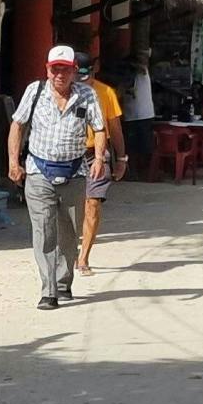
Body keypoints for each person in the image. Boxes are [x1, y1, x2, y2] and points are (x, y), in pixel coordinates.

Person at [7, 45, 108, 310]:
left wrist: (99, 158)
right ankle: (48, 291)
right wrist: (13, 162)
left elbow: (99, 128)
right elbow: (17, 125)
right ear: (47, 70)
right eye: (55, 69)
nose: (59, 75)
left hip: (74, 172)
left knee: (68, 232)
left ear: (74, 71)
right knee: (44, 231)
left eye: (65, 69)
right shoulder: (35, 91)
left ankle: (63, 283)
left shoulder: (87, 95)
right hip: (38, 171)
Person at [75, 54, 129, 278]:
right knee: (69, 207)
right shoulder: (61, 92)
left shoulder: (105, 93)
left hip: (96, 155)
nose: (81, 81)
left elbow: (114, 128)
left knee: (93, 204)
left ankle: (83, 258)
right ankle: (69, 250)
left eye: (85, 76)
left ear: (94, 70)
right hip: (69, 155)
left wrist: (121, 159)